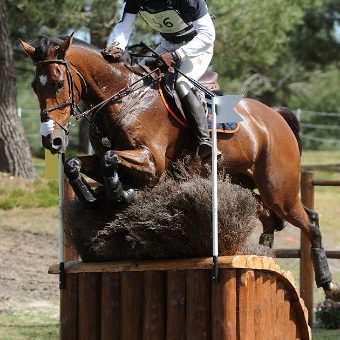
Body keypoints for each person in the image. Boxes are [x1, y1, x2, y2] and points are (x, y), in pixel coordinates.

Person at [102, 0, 216, 159]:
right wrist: (117, 46)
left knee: (181, 83)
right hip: (168, 45)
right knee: (136, 78)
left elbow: (208, 35)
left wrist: (177, 55)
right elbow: (124, 26)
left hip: (197, 48)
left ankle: (204, 140)